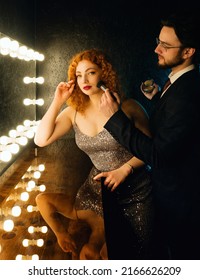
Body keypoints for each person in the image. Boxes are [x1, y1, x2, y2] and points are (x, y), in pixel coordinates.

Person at [98, 12, 200, 260]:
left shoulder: (187, 94)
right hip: (174, 198)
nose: (157, 49)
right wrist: (159, 98)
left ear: (188, 51)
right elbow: (177, 127)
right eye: (157, 41)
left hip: (181, 207)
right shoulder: (181, 82)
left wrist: (114, 119)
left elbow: (159, 154)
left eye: (166, 45)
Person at [34, 48, 155, 260]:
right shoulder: (73, 111)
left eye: (90, 72)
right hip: (98, 189)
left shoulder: (129, 107)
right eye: (78, 75)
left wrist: (124, 170)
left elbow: (152, 152)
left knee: (141, 252)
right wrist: (58, 101)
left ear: (104, 73)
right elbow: (40, 140)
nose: (84, 80)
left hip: (136, 190)